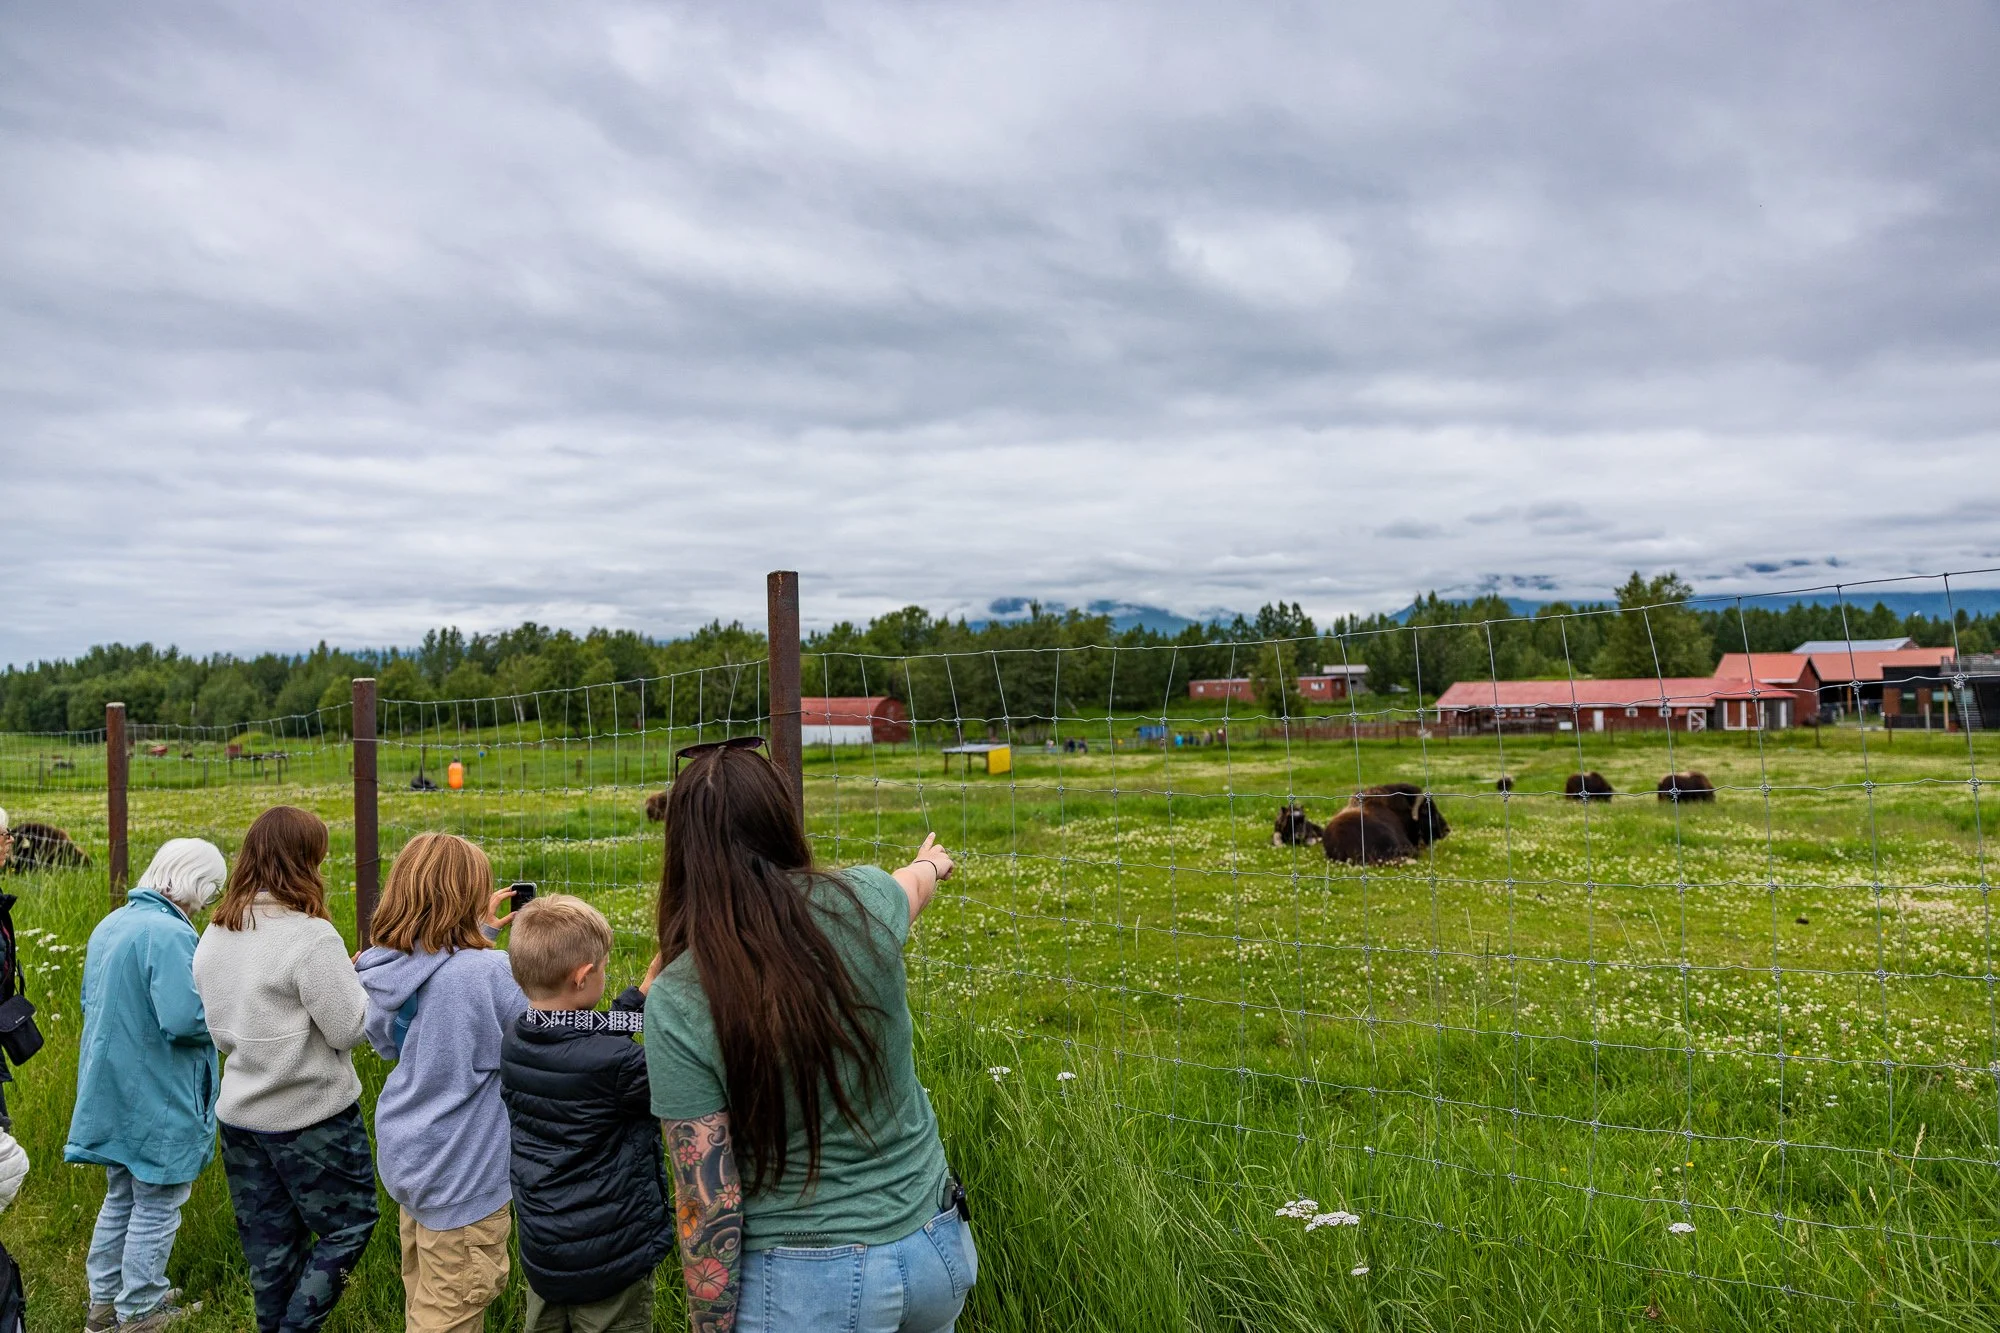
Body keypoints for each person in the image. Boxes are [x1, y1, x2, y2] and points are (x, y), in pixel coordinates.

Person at [646, 742, 976, 1333]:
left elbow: (708, 1201)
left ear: (683, 851)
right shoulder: (865, 899)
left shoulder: (680, 997)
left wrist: (709, 1326)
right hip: (933, 1248)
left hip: (804, 1288)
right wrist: (932, 865)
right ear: (781, 822)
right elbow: (912, 886)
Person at [193, 806, 376, 1333]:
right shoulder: (311, 936)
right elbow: (349, 1028)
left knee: (269, 1250)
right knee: (349, 1226)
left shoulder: (218, 931)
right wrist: (355, 984)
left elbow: (221, 1025)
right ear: (304, 861)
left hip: (241, 1113)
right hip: (310, 1115)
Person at [356, 833, 527, 1333]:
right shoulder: (491, 973)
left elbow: (391, 1039)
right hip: (463, 1170)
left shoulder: (386, 968)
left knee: (424, 1292)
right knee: (448, 1314)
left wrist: (477, 938)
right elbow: (541, 1037)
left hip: (412, 1156)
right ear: (469, 897)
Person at [67, 839, 229, 1333]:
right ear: (194, 882)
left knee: (121, 1195)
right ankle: (140, 1309)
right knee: (158, 1200)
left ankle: (105, 1302)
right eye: (212, 889)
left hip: (111, 1087)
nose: (210, 901)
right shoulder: (170, 933)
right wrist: (227, 1009)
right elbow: (185, 1020)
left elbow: (88, 1000)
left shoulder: (112, 923)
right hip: (160, 1092)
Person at [499, 895, 671, 1333]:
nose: (606, 973)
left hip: (547, 1248)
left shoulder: (520, 1037)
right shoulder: (619, 1066)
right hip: (609, 1255)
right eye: (604, 968)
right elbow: (679, 1076)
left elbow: (588, 1037)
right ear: (582, 978)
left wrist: (641, 996)